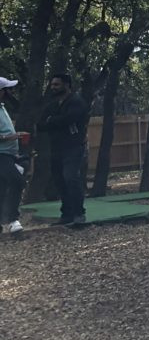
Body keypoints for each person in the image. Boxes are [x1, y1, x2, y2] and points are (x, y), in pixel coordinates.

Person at [37, 74, 90, 226]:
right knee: (60, 181)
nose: (53, 87)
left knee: (71, 178)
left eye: (57, 85)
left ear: (67, 85)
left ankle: (79, 214)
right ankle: (67, 214)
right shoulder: (52, 105)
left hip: (73, 147)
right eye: (52, 85)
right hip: (56, 148)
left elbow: (69, 119)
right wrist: (52, 121)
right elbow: (40, 124)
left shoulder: (76, 101)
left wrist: (52, 121)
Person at [0, 77, 27, 234]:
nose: (11, 92)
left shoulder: (2, 107)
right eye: (7, 89)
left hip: (7, 154)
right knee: (17, 181)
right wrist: (11, 137)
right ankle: (12, 219)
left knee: (2, 188)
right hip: (1, 155)